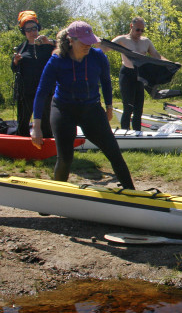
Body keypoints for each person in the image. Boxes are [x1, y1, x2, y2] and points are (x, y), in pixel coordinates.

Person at [31, 21, 135, 190]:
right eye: (84, 41)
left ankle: (133, 197)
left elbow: (106, 82)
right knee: (65, 158)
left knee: (114, 154)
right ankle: (54, 197)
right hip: (64, 110)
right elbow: (41, 92)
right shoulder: (56, 61)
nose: (88, 45)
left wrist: (109, 107)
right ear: (71, 40)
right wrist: (36, 127)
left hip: (91, 109)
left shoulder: (98, 56)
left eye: (90, 41)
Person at [112, 16, 168, 130]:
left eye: (142, 30)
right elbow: (107, 46)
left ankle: (137, 133)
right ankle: (125, 132)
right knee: (128, 107)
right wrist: (97, 43)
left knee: (138, 109)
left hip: (139, 76)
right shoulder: (122, 39)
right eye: (138, 29)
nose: (140, 32)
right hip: (126, 74)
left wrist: (170, 63)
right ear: (131, 26)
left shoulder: (145, 41)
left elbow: (156, 55)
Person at [11, 11, 55, 137]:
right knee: (23, 121)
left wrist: (49, 42)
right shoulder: (21, 47)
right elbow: (14, 69)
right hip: (25, 91)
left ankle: (47, 147)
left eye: (34, 29)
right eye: (28, 30)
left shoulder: (47, 45)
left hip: (45, 91)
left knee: (46, 122)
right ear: (24, 32)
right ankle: (21, 145)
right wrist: (15, 62)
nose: (32, 32)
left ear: (38, 29)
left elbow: (66, 47)